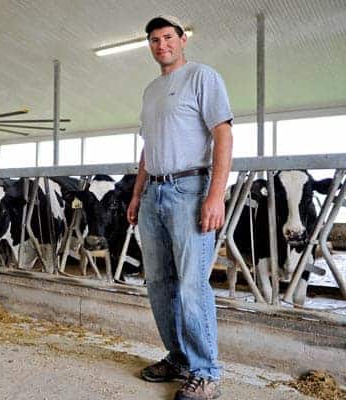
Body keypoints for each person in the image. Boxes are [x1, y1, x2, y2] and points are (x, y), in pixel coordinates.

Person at [126, 15, 233, 400]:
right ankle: (179, 358)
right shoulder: (151, 90)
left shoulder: (203, 77)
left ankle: (207, 374)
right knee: (158, 283)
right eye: (154, 40)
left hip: (190, 189)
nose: (161, 45)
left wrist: (215, 194)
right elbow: (148, 148)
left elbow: (223, 135)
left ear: (183, 39)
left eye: (168, 37)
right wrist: (137, 194)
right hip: (153, 192)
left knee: (191, 285)